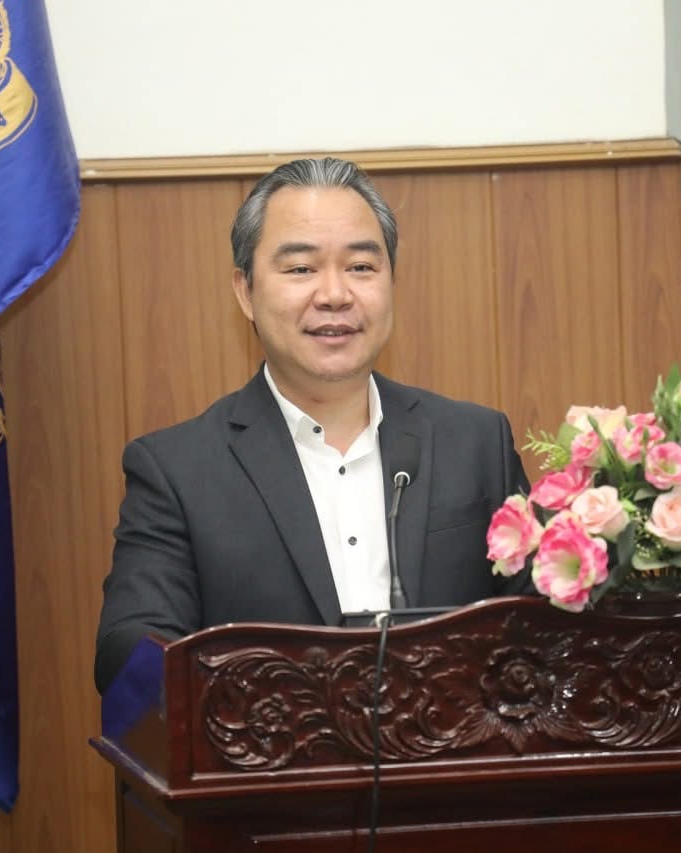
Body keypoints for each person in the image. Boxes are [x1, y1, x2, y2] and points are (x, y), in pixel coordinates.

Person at [94, 157, 531, 693]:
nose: (334, 294)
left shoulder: (476, 442)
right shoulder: (177, 471)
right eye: (301, 269)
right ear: (245, 291)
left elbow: (543, 626)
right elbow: (130, 651)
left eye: (361, 267)